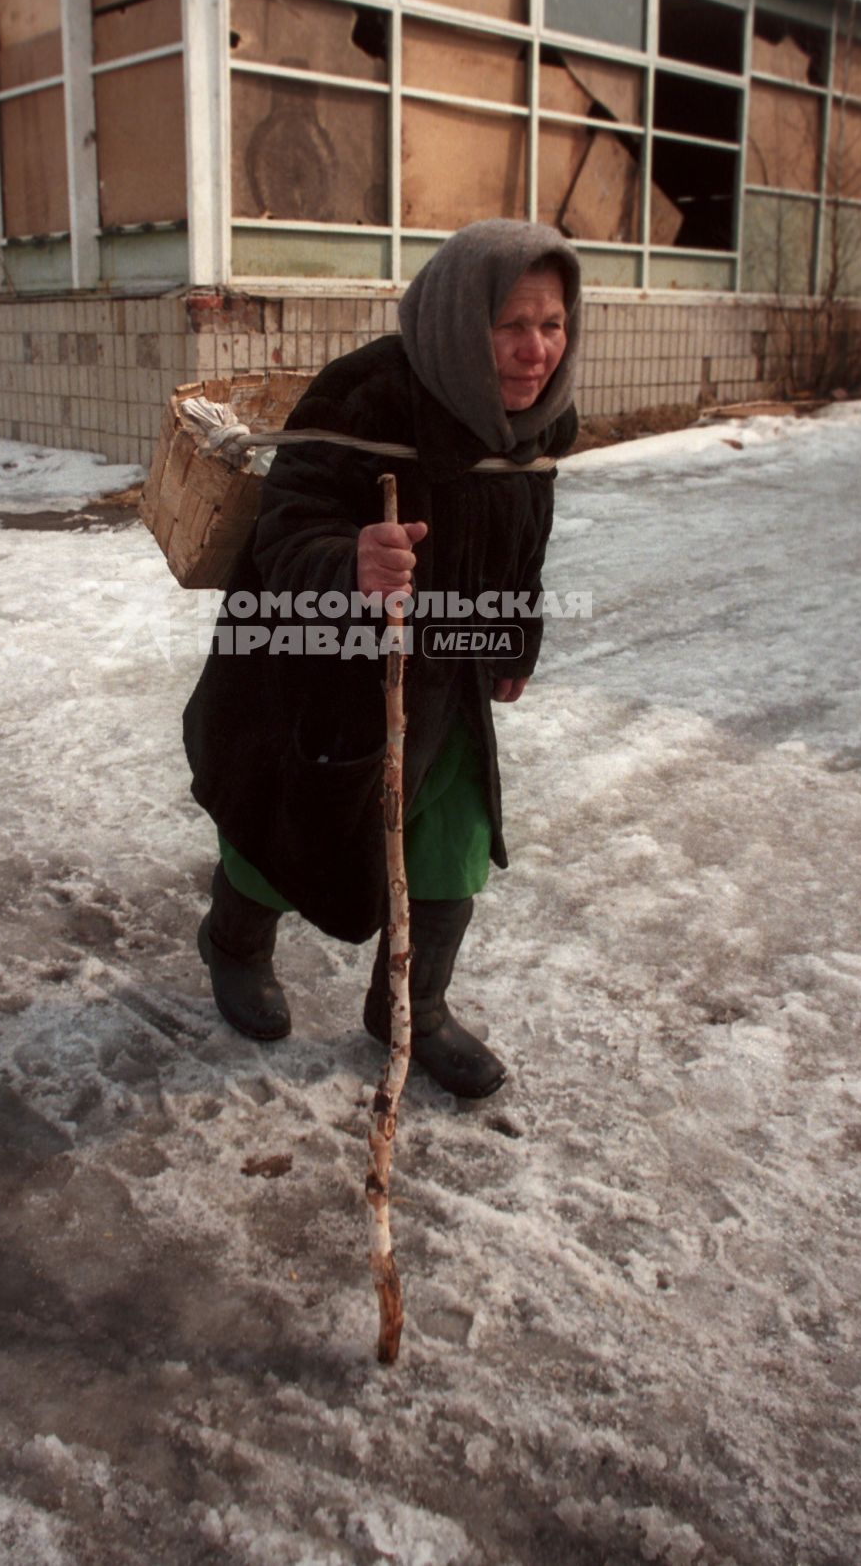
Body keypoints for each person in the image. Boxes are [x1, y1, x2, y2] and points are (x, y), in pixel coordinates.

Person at [182, 219, 581, 1099]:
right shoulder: (365, 396)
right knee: (292, 831)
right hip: (319, 670)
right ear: (456, 318)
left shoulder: (542, 423)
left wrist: (515, 632)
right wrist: (351, 560)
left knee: (453, 841)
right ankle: (235, 942)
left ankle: (412, 1008)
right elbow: (289, 531)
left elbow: (524, 543)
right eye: (511, 323)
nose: (536, 349)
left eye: (552, 324)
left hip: (446, 679)